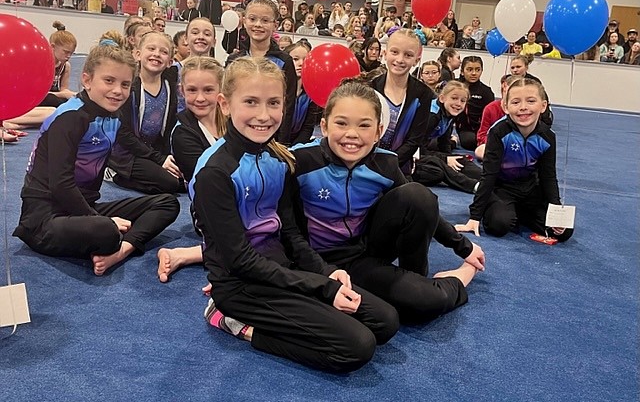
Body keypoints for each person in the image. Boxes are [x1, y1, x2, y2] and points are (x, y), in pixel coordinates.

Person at [193, 57, 399, 372]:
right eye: (251, 102)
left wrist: (326, 272)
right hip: (241, 286)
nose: (264, 115)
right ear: (224, 104)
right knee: (357, 348)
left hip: (282, 271)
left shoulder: (279, 158)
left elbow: (290, 234)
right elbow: (240, 260)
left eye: (273, 103)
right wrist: (321, 288)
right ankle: (235, 323)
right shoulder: (214, 173)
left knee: (385, 322)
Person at [291, 81, 484, 324]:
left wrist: (464, 248)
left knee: (418, 195)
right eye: (341, 123)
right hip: (312, 260)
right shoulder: (299, 161)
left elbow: (422, 207)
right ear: (324, 126)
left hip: (361, 257)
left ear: (378, 132)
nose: (352, 134)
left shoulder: (386, 164)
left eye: (364, 126)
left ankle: (447, 276)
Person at [12, 38, 180, 276]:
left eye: (124, 84)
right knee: (106, 231)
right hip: (45, 218)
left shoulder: (113, 114)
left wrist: (160, 159)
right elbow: (60, 185)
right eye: (109, 81)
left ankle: (122, 250)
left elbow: (132, 143)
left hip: (84, 207)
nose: (117, 91)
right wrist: (102, 220)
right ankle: (112, 238)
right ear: (87, 80)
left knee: (167, 203)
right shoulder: (70, 118)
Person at [456, 77, 574, 243]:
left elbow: (548, 176)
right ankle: (504, 209)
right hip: (502, 189)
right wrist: (475, 216)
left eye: (531, 101)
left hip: (531, 190)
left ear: (543, 106)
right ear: (505, 106)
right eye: (516, 102)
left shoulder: (548, 137)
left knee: (564, 232)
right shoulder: (498, 133)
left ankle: (521, 213)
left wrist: (556, 213)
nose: (523, 107)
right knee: (499, 225)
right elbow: (489, 175)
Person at [157, 56, 227, 282]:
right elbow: (212, 186)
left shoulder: (234, 117)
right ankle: (187, 254)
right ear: (181, 90)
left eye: (208, 90)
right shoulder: (182, 134)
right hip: (212, 211)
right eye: (192, 90)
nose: (199, 98)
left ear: (222, 89)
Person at [107, 32, 184, 194]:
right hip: (127, 153)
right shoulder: (130, 88)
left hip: (153, 149)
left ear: (170, 61)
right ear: (137, 54)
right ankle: (114, 174)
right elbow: (123, 134)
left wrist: (167, 156)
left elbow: (168, 126)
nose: (156, 54)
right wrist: (159, 159)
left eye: (163, 52)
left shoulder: (169, 87)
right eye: (151, 48)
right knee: (170, 184)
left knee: (184, 178)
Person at [225, 0, 297, 145]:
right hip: (237, 136)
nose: (258, 25)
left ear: (275, 25)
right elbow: (228, 100)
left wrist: (281, 144)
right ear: (244, 21)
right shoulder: (234, 60)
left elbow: (288, 107)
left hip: (271, 137)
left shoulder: (284, 62)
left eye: (265, 20)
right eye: (252, 19)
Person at [371, 29, 433, 174]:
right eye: (394, 52)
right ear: (384, 54)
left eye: (408, 55)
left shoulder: (423, 94)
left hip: (398, 166)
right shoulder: (371, 87)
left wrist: (390, 165)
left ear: (416, 60)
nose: (400, 59)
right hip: (366, 161)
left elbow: (414, 140)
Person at [413, 81, 481, 193]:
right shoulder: (432, 116)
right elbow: (417, 149)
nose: (458, 103)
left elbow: (444, 144)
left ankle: (488, 178)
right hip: (411, 153)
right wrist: (445, 159)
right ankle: (473, 186)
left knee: (459, 160)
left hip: (424, 149)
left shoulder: (449, 113)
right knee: (438, 169)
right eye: (454, 98)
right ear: (442, 98)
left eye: (463, 101)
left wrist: (449, 157)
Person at [284, 41, 321, 145]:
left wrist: (295, 148)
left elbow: (308, 127)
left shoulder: (311, 93)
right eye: (295, 59)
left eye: (305, 60)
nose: (301, 63)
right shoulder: (277, 90)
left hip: (297, 143)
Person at [455, 56, 495, 151]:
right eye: (469, 69)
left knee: (471, 141)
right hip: (460, 128)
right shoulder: (454, 86)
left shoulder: (486, 91)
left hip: (478, 130)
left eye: (477, 70)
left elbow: (491, 116)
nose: (474, 73)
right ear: (462, 71)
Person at [40, 21, 78, 108]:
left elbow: (64, 89)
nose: (68, 56)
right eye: (66, 52)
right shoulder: (42, 64)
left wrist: (74, 95)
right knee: (52, 99)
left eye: (71, 53)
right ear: (53, 47)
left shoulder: (66, 66)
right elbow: (36, 93)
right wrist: (63, 94)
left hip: (55, 95)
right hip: (41, 97)